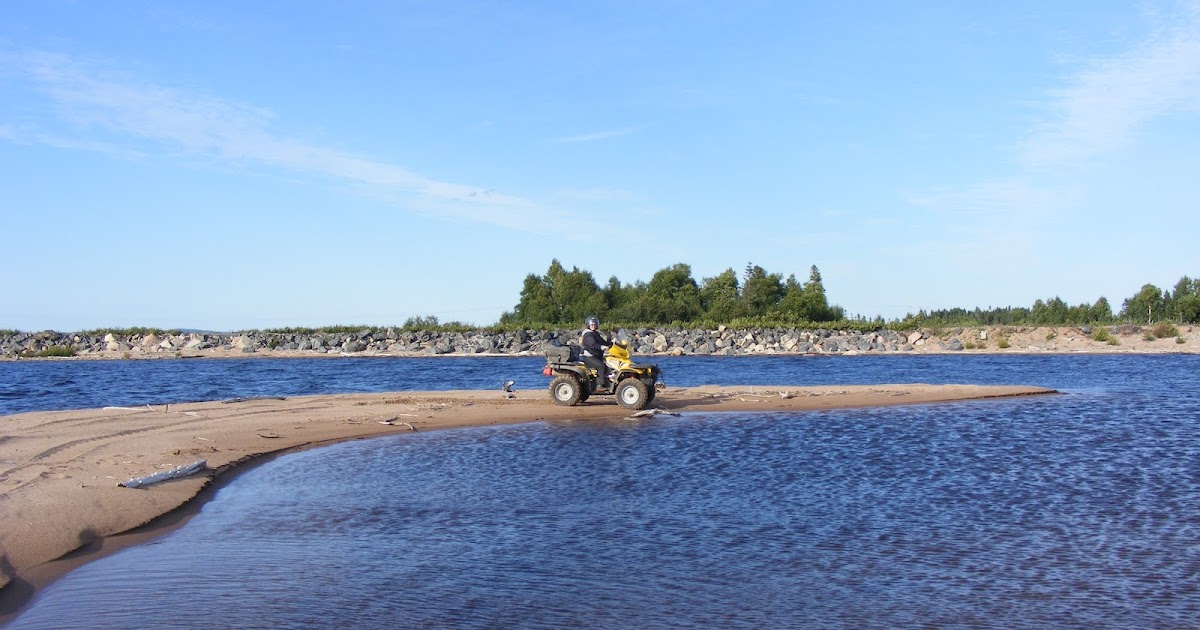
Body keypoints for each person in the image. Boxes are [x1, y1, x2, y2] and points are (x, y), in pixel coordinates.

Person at [580, 315, 612, 389]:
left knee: (609, 364)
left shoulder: (595, 333)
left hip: (596, 355)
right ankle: (599, 385)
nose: (593, 326)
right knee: (601, 366)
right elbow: (593, 345)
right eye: (591, 324)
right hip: (589, 356)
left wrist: (611, 343)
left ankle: (608, 382)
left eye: (594, 324)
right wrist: (603, 347)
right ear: (588, 325)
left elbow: (602, 342)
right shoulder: (588, 334)